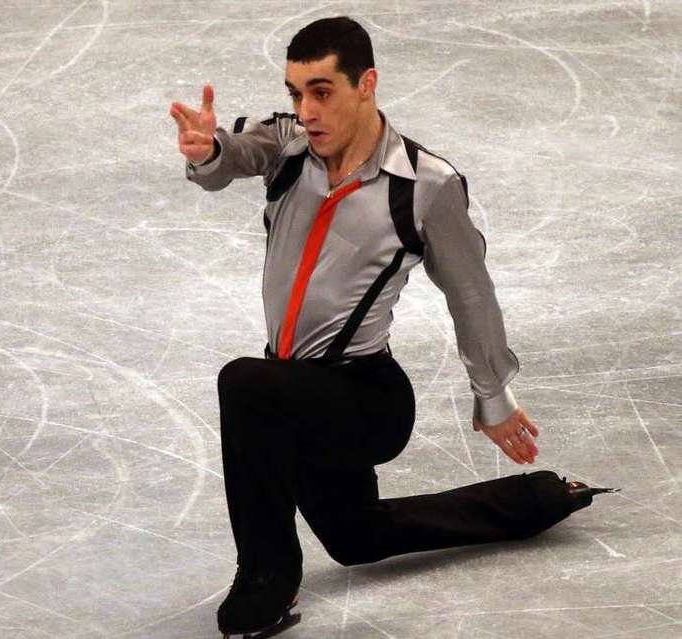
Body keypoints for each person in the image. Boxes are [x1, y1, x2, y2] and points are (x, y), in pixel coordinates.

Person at [169, 16, 618, 639]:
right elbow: (231, 156)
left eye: (322, 91)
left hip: (366, 398)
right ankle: (536, 499)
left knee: (244, 385)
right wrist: (209, 151)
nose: (307, 109)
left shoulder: (426, 185)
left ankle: (267, 578)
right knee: (356, 537)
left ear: (366, 84)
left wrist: (493, 396)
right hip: (293, 395)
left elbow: (471, 295)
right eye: (297, 92)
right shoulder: (287, 142)